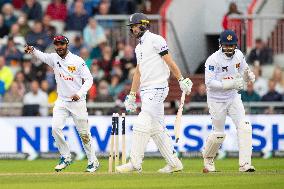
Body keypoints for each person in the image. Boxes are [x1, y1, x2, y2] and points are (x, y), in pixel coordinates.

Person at [115, 13, 192, 173]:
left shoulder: (156, 40)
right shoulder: (138, 47)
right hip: (146, 90)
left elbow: (169, 61)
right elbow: (138, 72)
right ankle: (174, 163)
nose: (133, 29)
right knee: (156, 128)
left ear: (143, 24)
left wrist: (181, 79)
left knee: (142, 122)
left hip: (158, 87)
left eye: (135, 26)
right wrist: (131, 94)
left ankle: (135, 163)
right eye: (132, 27)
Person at [24, 35, 99, 172]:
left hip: (78, 102)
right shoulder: (54, 58)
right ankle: (66, 156)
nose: (59, 47)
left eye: (61, 44)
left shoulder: (77, 61)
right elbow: (42, 56)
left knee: (84, 134)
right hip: (62, 101)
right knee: (55, 128)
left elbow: (89, 80)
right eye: (57, 44)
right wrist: (33, 50)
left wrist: (79, 93)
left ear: (67, 45)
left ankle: (93, 161)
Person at [204, 30, 256, 173]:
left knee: (245, 127)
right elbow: (208, 82)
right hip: (216, 100)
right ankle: (208, 160)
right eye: (226, 46)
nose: (228, 48)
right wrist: (230, 84)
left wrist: (249, 76)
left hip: (233, 97)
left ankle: (245, 164)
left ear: (235, 45)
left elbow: (244, 71)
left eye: (231, 46)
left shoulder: (239, 55)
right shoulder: (213, 59)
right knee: (219, 134)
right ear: (221, 45)